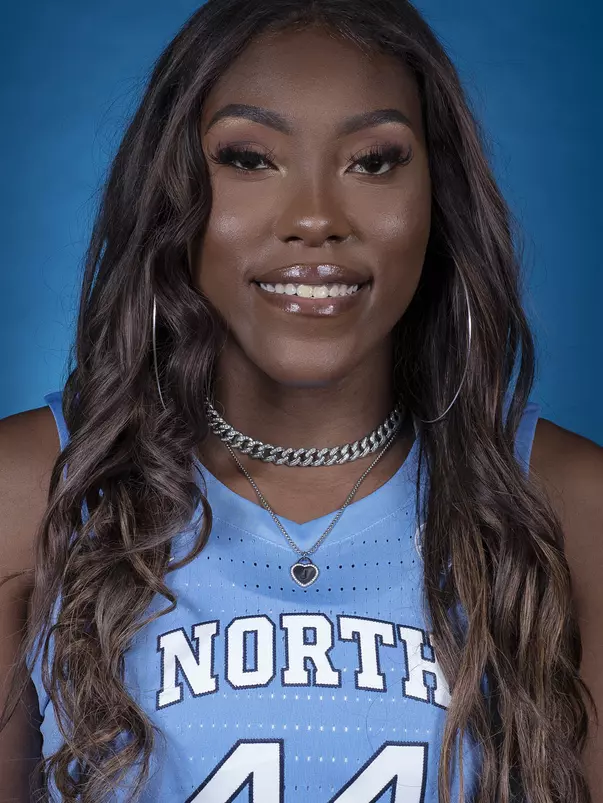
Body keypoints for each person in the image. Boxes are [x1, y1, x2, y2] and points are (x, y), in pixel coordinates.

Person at [0, 0, 601, 801]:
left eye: (373, 160)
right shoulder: (30, 488)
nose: (315, 218)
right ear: (169, 188)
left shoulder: (568, 504)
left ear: (437, 196)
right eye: (249, 158)